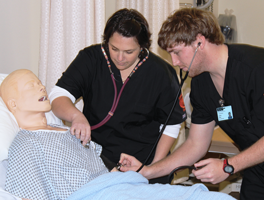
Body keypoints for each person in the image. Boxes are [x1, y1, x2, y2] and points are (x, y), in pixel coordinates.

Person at [119, 8, 264, 200]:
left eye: (177, 52)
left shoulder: (259, 69)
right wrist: (146, 171)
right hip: (261, 174)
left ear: (200, 41)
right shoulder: (201, 84)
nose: (174, 61)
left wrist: (228, 166)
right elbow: (196, 144)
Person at [1, 69, 235, 200]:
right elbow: (27, 196)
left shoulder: (64, 130)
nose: (41, 87)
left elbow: (90, 168)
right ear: (12, 103)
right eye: (31, 86)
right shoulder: (25, 142)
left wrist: (114, 172)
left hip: (115, 185)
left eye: (39, 82)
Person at [49, 8, 186, 184]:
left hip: (143, 161)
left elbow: (172, 125)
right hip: (97, 161)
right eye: (114, 48)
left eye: (129, 52)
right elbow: (58, 95)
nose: (120, 58)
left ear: (143, 47)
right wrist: (76, 116)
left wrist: (152, 169)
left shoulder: (161, 73)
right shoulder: (91, 59)